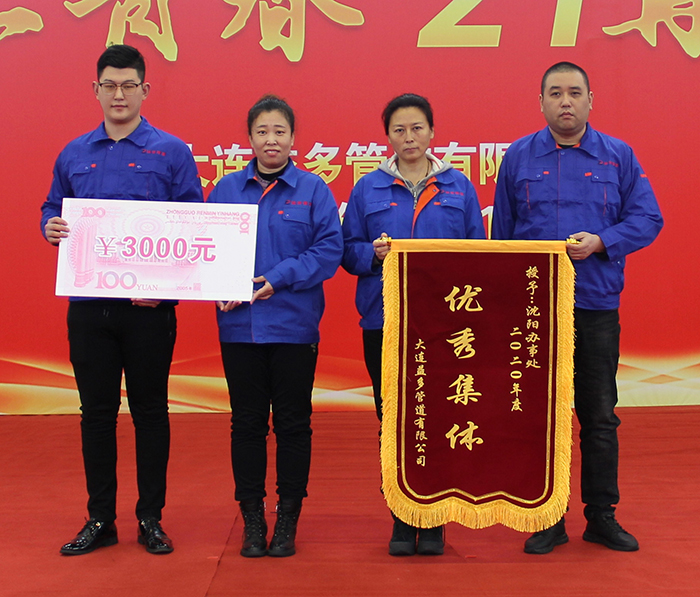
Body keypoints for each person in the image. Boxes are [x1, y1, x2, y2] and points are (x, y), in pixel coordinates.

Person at [492, 62, 663, 554]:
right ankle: (548, 515)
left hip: (594, 303)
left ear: (591, 100)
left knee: (599, 414)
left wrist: (603, 241)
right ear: (540, 102)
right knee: (541, 415)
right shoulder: (518, 156)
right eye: (555, 93)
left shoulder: (617, 156)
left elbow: (648, 217)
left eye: (574, 93)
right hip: (536, 308)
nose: (565, 102)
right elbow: (502, 236)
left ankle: (601, 515)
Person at [41, 44, 203, 555]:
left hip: (148, 310)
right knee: (96, 413)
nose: (118, 94)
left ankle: (150, 518)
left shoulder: (171, 152)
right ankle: (100, 519)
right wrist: (50, 225)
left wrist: (165, 289)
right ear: (95, 90)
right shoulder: (74, 152)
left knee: (151, 411)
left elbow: (192, 226)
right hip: (89, 306)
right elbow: (51, 207)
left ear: (144, 90)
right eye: (109, 85)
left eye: (128, 85)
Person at [342, 93, 486, 556]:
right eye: (399, 130)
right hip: (384, 320)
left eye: (417, 128)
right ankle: (402, 517)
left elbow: (476, 253)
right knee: (393, 419)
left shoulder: (458, 187)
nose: (409, 137)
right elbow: (347, 251)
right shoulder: (368, 189)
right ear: (387, 136)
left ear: (432, 132)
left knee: (440, 416)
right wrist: (372, 254)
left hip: (445, 325)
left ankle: (435, 517)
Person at [207, 95, 343, 558]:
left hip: (293, 327)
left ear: (292, 138)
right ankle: (251, 517)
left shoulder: (313, 189)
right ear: (249, 138)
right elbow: (208, 249)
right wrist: (215, 284)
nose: (271, 140)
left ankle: (287, 517)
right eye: (262, 131)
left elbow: (329, 250)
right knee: (246, 424)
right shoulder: (226, 190)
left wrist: (277, 278)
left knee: (293, 424)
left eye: (279, 131)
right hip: (239, 328)